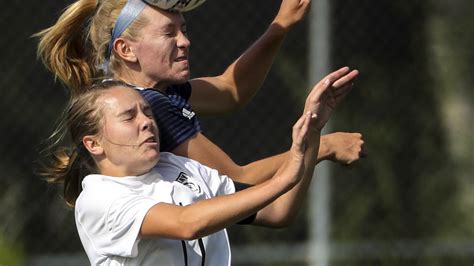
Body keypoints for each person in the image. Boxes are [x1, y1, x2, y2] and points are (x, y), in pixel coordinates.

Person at [36, 0, 364, 186]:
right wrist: (323, 145)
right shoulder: (149, 108)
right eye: (168, 32)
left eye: (184, 29)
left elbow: (230, 90)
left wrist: (280, 25)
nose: (184, 41)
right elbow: (238, 179)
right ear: (126, 49)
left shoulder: (153, 91)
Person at [40, 67, 354, 265]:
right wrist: (285, 175)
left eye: (147, 112)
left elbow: (279, 211)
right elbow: (187, 224)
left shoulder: (179, 168)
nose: (147, 123)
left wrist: (312, 134)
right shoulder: (98, 199)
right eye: (129, 117)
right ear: (93, 143)